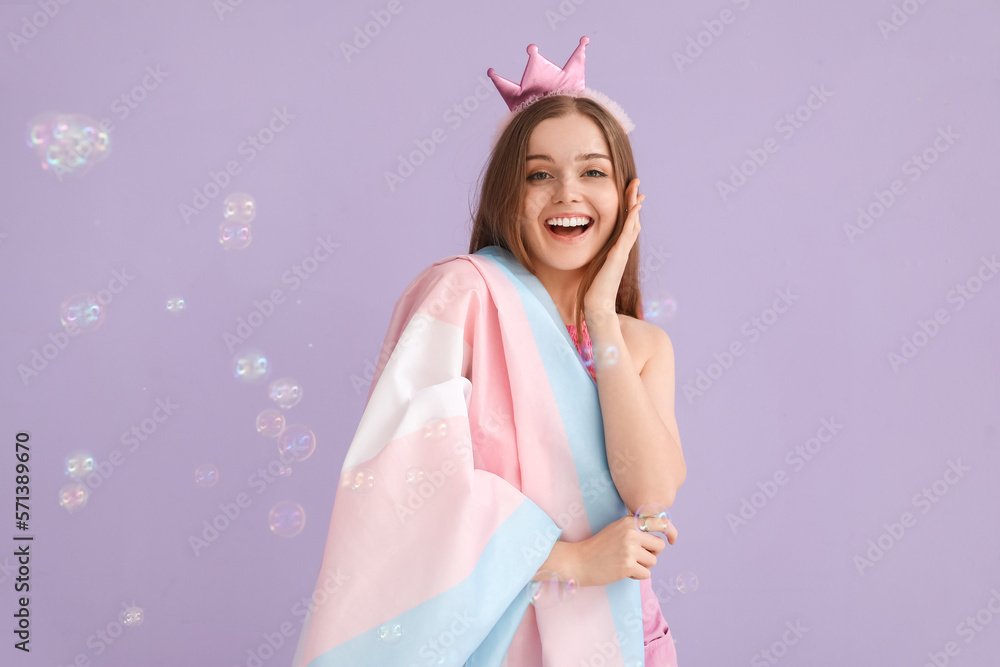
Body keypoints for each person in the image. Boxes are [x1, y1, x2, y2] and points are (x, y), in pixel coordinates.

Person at [292, 37, 686, 667]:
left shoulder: (640, 343)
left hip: (624, 637)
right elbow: (405, 484)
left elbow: (652, 491)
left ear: (628, 197)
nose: (567, 193)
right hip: (498, 635)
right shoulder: (463, 296)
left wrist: (600, 319)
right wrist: (570, 560)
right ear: (508, 194)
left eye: (594, 171)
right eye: (538, 174)